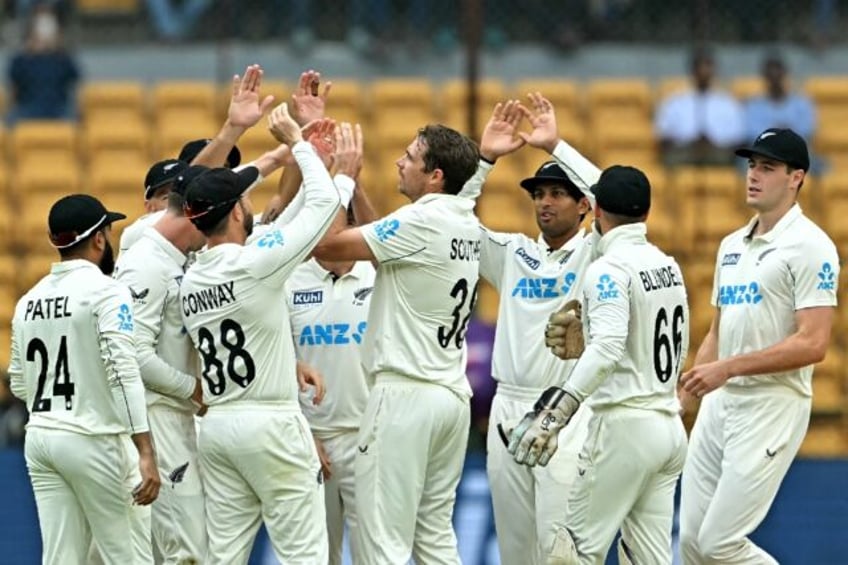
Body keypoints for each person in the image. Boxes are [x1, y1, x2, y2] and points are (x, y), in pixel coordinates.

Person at [179, 102, 346, 564]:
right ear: (235, 212)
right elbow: (326, 204)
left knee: (224, 556)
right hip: (270, 424)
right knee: (304, 555)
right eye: (243, 197)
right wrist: (298, 143)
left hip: (218, 426)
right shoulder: (256, 265)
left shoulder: (193, 276)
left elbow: (277, 233)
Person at [312, 122, 481, 564]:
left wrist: (342, 180)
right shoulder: (465, 222)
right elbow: (388, 238)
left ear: (435, 176)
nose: (399, 162)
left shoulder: (421, 220)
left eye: (410, 156)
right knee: (434, 538)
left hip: (404, 397)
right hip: (450, 397)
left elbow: (329, 246)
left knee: (382, 541)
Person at [508, 164, 690, 565]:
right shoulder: (668, 265)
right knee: (648, 559)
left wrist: (556, 411)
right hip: (668, 429)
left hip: (624, 429)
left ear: (596, 210)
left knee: (571, 555)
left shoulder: (607, 269)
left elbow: (608, 346)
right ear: (645, 213)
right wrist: (588, 341)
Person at [678, 128, 838, 564]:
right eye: (752, 165)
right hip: (719, 405)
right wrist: (685, 398)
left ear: (796, 177)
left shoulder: (812, 246)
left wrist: (727, 369)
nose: (754, 175)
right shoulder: (731, 245)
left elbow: (814, 343)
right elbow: (718, 330)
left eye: (768, 167)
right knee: (691, 543)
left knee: (719, 544)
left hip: (771, 404)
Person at [457, 96, 597, 565]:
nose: (545, 202)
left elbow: (619, 199)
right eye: (539, 194)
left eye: (557, 193)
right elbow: (452, 224)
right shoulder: (514, 253)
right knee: (517, 552)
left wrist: (556, 144)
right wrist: (484, 160)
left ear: (584, 206)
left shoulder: (595, 254)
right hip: (508, 405)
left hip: (565, 406)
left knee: (561, 550)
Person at [8, 194, 160, 563]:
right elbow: (123, 372)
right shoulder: (108, 291)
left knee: (61, 558)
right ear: (97, 239)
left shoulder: (29, 299)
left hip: (43, 437)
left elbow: (19, 383)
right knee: (129, 556)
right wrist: (145, 449)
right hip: (95, 438)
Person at [113, 163, 216, 563]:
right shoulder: (146, 261)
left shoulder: (177, 259)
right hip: (158, 417)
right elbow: (133, 353)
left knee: (182, 548)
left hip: (178, 415)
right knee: (185, 551)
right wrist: (192, 389)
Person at [654, 47, 745, 167]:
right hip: (685, 152)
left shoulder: (728, 103)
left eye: (707, 65)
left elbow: (738, 140)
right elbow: (663, 138)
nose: (703, 71)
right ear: (692, 70)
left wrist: (711, 145)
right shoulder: (674, 102)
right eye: (699, 66)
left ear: (714, 69)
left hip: (717, 152)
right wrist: (690, 143)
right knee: (671, 158)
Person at [6, 3, 79, 124]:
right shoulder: (20, 60)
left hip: (58, 110)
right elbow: (14, 90)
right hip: (27, 109)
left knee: (75, 123)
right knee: (10, 122)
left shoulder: (63, 59)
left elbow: (75, 87)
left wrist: (57, 49)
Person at [118, 158, 188, 255]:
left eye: (183, 192)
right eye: (166, 197)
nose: (178, 202)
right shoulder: (136, 236)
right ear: (150, 207)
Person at [744, 54, 816, 142]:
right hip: (764, 152)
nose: (774, 74)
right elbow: (751, 133)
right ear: (764, 75)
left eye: (778, 70)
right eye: (770, 72)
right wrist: (780, 132)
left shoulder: (802, 102)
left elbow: (807, 130)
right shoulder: (754, 105)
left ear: (785, 72)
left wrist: (777, 132)